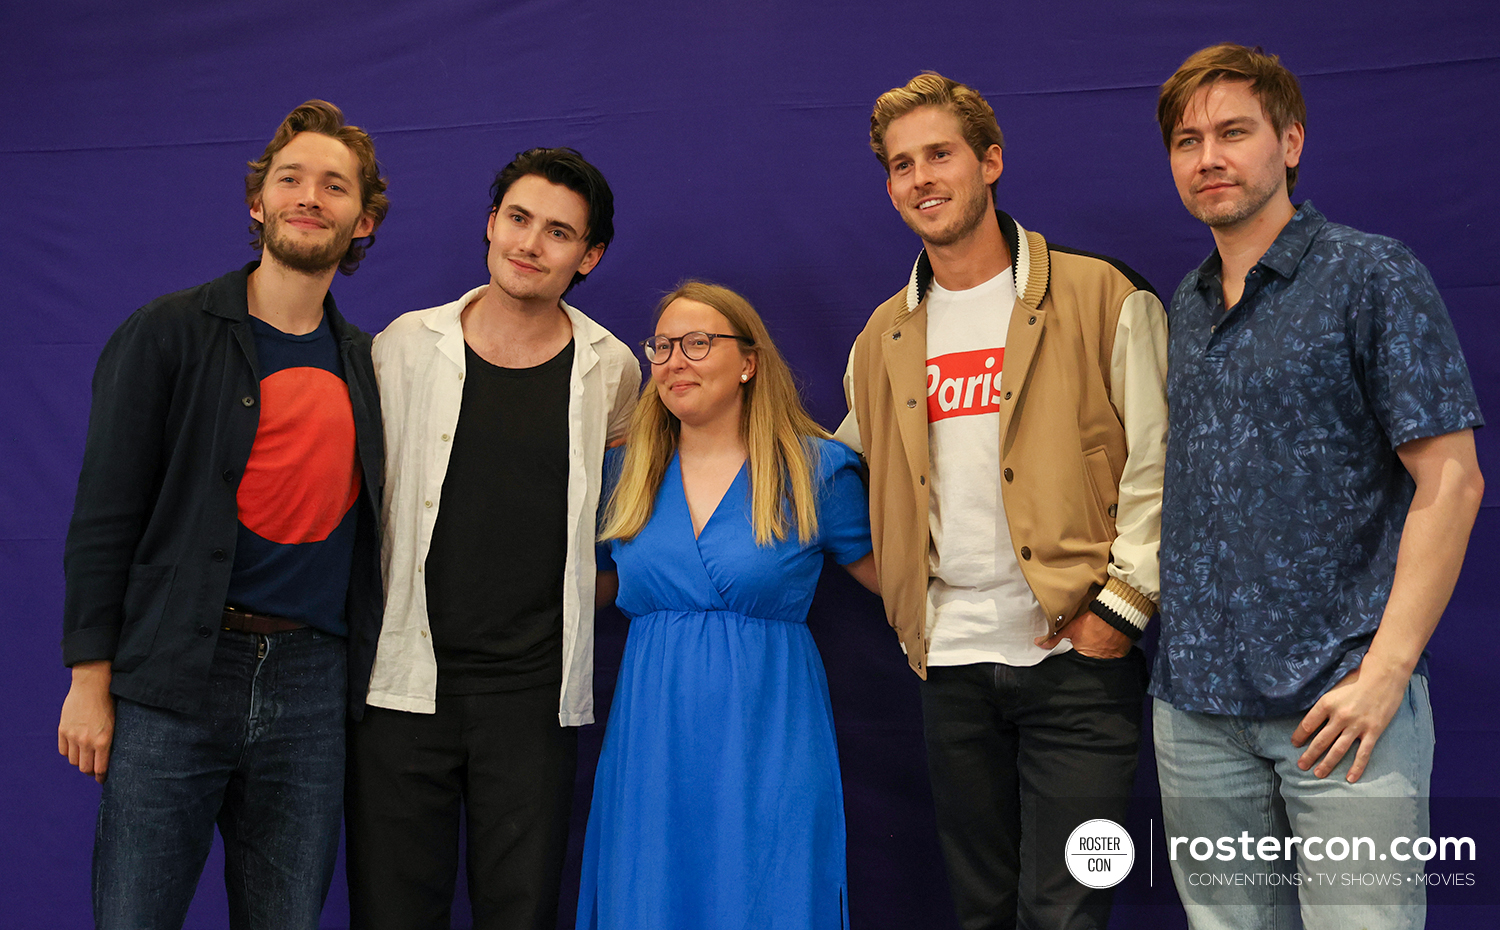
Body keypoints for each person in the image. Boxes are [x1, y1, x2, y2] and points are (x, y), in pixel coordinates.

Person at [1151, 43, 1484, 929]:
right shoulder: (1184, 305)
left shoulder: (1370, 275)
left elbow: (1451, 484)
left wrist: (1387, 673)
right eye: (1188, 141)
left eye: (1233, 132)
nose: (1209, 157)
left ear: (1290, 141)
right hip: (1196, 714)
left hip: (1341, 711)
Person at [837, 72, 1169, 930]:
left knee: (1067, 912)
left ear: (990, 161)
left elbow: (1162, 467)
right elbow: (842, 469)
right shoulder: (884, 335)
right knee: (980, 911)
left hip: (1080, 663)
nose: (923, 178)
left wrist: (1118, 612)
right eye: (902, 164)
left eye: (940, 154)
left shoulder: (1101, 294)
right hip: (949, 666)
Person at [56, 100, 389, 930]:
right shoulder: (168, 334)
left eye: (335, 186)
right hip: (174, 678)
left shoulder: (370, 365)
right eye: (291, 179)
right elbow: (104, 516)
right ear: (258, 203)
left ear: (363, 222)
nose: (310, 197)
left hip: (314, 684)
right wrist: (89, 683)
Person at [347, 147, 638, 930]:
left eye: (559, 232)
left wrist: (597, 588)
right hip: (404, 686)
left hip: (532, 698)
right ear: (490, 223)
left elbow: (631, 511)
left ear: (590, 254)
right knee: (392, 913)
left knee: (521, 913)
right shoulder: (404, 345)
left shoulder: (613, 368)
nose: (530, 243)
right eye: (518, 218)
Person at [576, 281, 878, 930]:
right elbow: (583, 597)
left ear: (748, 362)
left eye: (697, 344)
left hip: (771, 732)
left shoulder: (815, 469)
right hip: (653, 737)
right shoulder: (620, 474)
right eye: (662, 346)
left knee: (769, 892)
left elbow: (898, 582)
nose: (674, 361)